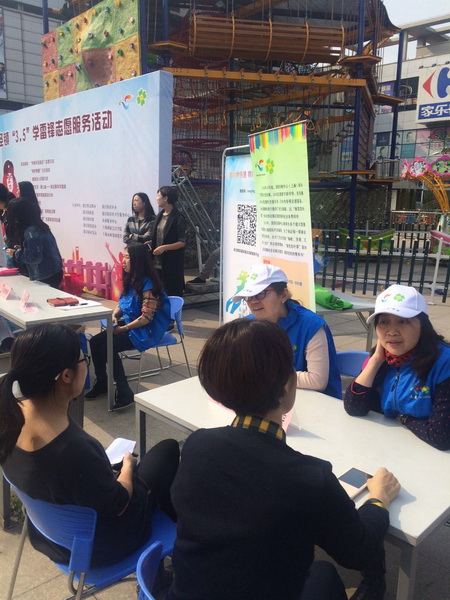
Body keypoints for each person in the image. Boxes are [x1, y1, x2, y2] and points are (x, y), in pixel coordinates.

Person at [168, 319, 400, 600]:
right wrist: (378, 500)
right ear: (289, 385)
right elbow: (359, 551)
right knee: (324, 573)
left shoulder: (197, 445)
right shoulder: (310, 479)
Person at [0, 324, 179, 567]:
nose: (87, 364)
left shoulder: (10, 415)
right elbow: (118, 504)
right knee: (168, 450)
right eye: (84, 358)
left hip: (49, 537)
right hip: (98, 547)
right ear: (66, 376)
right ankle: (168, 561)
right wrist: (128, 465)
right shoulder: (72, 448)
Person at [344, 284, 450, 450]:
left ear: (423, 326)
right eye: (384, 322)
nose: (392, 331)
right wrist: (376, 360)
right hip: (384, 446)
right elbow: (354, 407)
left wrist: (404, 418)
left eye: (403, 321)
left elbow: (440, 436)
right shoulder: (382, 358)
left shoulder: (444, 363)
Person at [233, 263, 341, 398]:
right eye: (248, 296)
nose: (253, 301)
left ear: (283, 295)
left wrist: (263, 375)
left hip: (316, 401)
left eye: (260, 294)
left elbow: (317, 381)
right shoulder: (248, 325)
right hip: (269, 397)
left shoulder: (310, 325)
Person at [86, 243, 172, 410]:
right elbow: (122, 303)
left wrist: (123, 329)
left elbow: (146, 318)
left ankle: (124, 391)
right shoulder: (131, 279)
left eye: (127, 257)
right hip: (131, 325)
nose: (123, 261)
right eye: (124, 256)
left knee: (107, 347)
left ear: (138, 261)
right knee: (95, 342)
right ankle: (102, 382)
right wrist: (114, 315)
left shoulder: (149, 286)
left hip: (145, 331)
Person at [5, 197, 63, 288]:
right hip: (54, 271)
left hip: (45, 274)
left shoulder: (31, 232)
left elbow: (35, 257)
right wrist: (24, 249)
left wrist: (15, 254)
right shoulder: (39, 226)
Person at [150, 186, 186, 297]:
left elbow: (182, 242)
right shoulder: (160, 215)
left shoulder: (178, 217)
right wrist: (152, 242)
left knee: (171, 292)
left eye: (158, 196)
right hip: (157, 261)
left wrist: (164, 247)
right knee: (158, 292)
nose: (156, 198)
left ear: (165, 198)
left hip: (171, 263)